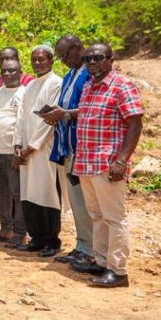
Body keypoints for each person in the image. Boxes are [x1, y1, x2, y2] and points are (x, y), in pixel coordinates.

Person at [71, 43, 143, 288]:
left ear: (111, 59)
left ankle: (118, 270)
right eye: (87, 58)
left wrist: (122, 161)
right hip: (87, 161)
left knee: (114, 218)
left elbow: (135, 124)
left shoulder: (122, 86)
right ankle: (101, 261)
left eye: (98, 57)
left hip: (108, 163)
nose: (91, 62)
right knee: (97, 216)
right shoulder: (90, 85)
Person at [43, 35, 94, 267]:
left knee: (88, 202)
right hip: (68, 147)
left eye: (65, 55)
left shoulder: (89, 73)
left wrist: (64, 113)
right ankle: (82, 245)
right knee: (76, 202)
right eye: (60, 57)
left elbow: (89, 108)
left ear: (77, 48)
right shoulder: (69, 75)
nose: (63, 61)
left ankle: (92, 250)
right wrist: (56, 113)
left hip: (83, 146)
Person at [14, 46, 64, 257]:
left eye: (41, 60)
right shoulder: (30, 85)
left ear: (51, 61)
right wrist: (18, 145)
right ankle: (36, 237)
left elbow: (50, 119)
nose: (37, 63)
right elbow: (21, 116)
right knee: (29, 194)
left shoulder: (56, 83)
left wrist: (32, 147)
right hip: (26, 148)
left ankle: (52, 240)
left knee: (47, 194)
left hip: (44, 148)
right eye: (34, 60)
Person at [0, 59, 27, 247]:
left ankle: (20, 233)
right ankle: (6, 229)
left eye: (12, 71)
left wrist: (20, 149)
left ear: (20, 72)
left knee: (17, 193)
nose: (8, 74)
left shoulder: (25, 93)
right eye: (4, 71)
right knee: (0, 191)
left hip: (13, 153)